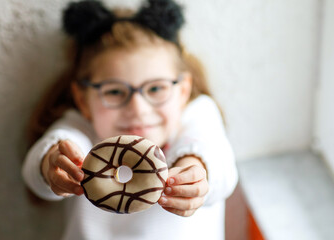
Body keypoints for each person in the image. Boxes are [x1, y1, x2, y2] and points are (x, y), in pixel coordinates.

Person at [22, 0, 238, 239]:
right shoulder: (83, 128)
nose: (137, 108)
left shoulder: (197, 115)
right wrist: (53, 164)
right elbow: (41, 165)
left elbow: (216, 158)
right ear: (83, 100)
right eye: (114, 92)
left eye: (156, 89)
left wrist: (196, 168)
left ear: (183, 91)